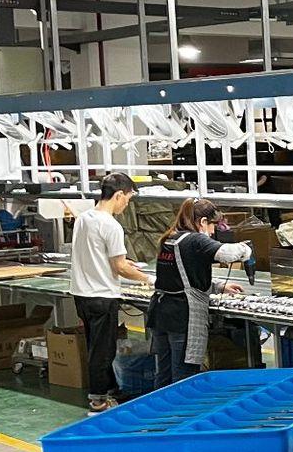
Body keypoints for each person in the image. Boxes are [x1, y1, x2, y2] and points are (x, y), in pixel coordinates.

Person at [68, 173, 151, 412]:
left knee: (95, 346)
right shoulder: (111, 225)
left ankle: (111, 390)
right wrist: (148, 278)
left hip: (82, 294)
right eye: (128, 199)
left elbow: (97, 254)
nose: (127, 204)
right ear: (119, 195)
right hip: (102, 296)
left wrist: (123, 263)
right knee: (103, 351)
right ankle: (98, 400)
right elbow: (120, 267)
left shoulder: (84, 218)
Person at [148, 200, 252, 389]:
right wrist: (246, 249)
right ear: (203, 222)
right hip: (182, 317)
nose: (212, 232)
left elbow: (182, 279)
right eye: (213, 226)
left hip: (161, 314)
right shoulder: (195, 239)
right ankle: (182, 408)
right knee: (183, 377)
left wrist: (219, 287)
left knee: (163, 376)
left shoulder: (170, 238)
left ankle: (160, 408)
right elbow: (227, 254)